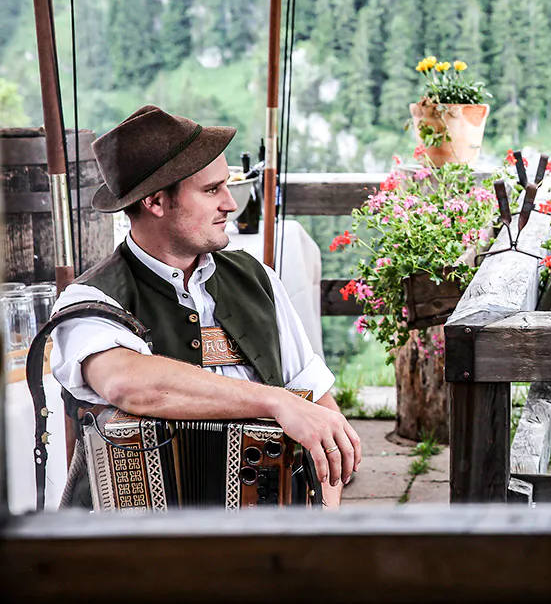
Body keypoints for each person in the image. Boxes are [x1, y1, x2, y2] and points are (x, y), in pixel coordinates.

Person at [50, 106, 360, 507]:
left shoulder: (257, 279)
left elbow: (319, 405)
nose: (230, 204)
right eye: (212, 190)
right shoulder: (90, 299)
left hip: (266, 531)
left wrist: (322, 523)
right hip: (134, 537)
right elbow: (127, 382)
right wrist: (276, 401)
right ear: (156, 202)